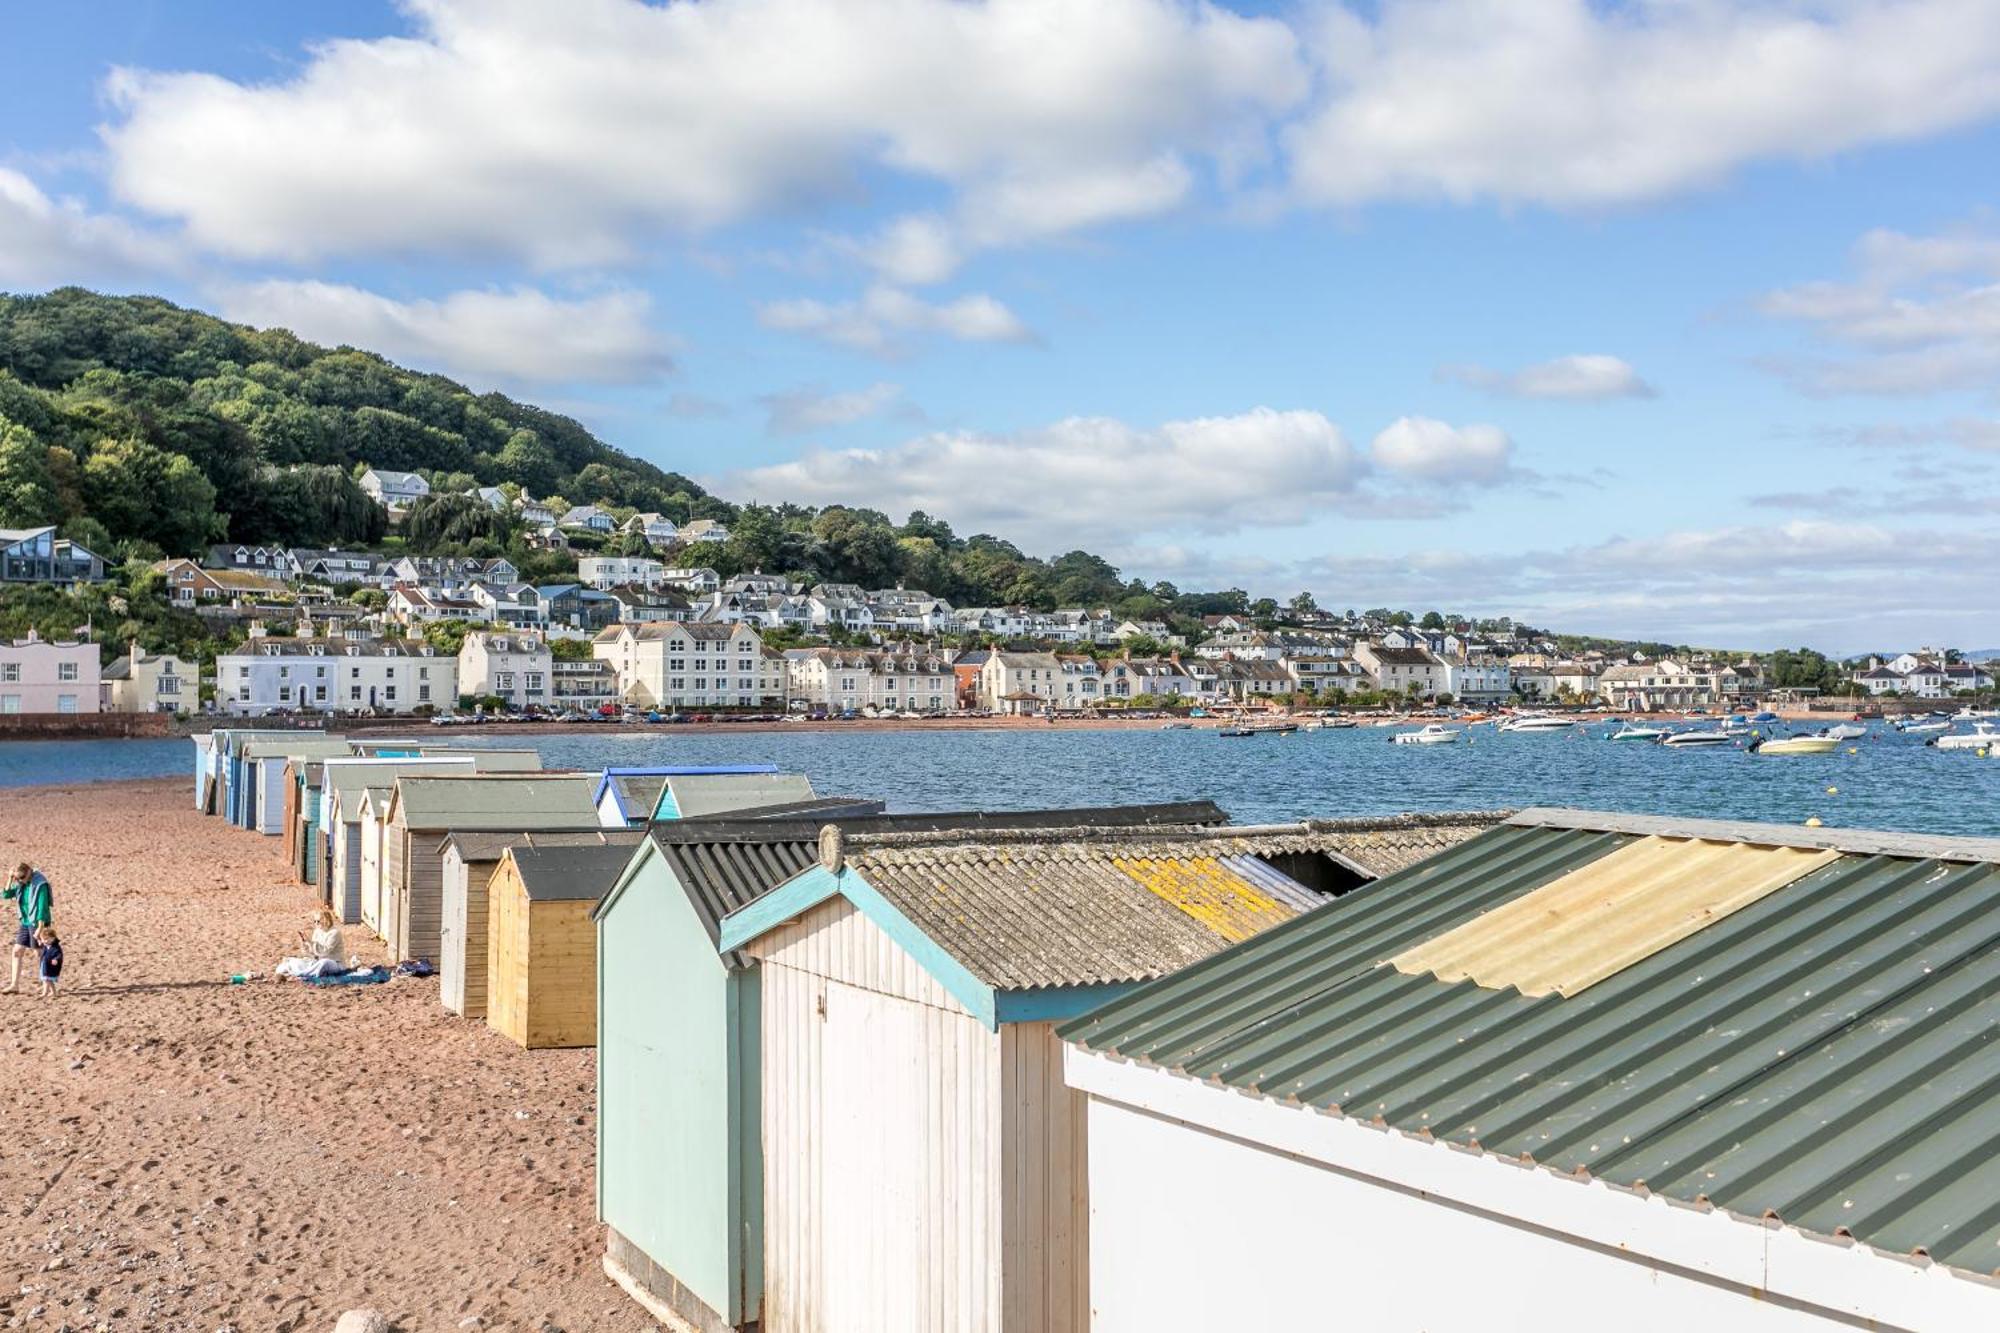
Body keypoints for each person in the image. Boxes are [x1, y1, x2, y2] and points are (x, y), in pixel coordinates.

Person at [3, 863, 52, 994]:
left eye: (22, 877)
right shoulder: (21, 883)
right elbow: (6, 895)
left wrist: (40, 927)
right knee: (17, 951)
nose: (21, 880)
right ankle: (14, 985)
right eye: (18, 878)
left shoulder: (40, 884)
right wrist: (10, 878)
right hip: (25, 921)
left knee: (39, 953)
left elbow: (43, 905)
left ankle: (46, 985)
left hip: (37, 922)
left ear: (30, 871)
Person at [275, 909, 347, 979]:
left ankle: (300, 974)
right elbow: (313, 953)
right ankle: (294, 971)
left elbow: (325, 951)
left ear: (326, 920)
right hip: (317, 961)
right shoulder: (317, 931)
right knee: (293, 961)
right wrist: (305, 945)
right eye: (314, 921)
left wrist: (310, 942)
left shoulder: (334, 933)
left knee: (324, 963)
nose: (316, 923)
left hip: (335, 963)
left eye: (318, 921)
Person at [34, 926, 61, 999]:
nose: (45, 941)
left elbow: (59, 955)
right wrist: (40, 941)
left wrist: (56, 959)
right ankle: (54, 992)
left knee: (47, 980)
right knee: (48, 979)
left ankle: (45, 993)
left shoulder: (55, 947)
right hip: (45, 964)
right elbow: (42, 944)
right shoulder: (46, 945)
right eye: (44, 939)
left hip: (50, 966)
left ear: (53, 938)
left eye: (47, 939)